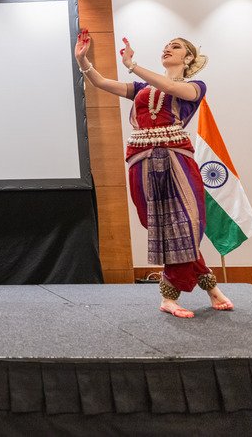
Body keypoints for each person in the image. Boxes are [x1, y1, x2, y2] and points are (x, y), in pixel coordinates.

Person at [75, 30, 233, 318]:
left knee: (186, 222)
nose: (167, 49)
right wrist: (83, 60)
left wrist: (134, 66)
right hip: (141, 157)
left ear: (188, 59)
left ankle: (168, 296)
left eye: (175, 47)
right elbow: (100, 82)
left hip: (175, 157)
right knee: (160, 225)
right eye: (165, 46)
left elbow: (173, 89)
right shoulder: (142, 90)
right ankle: (210, 286)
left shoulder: (195, 86)